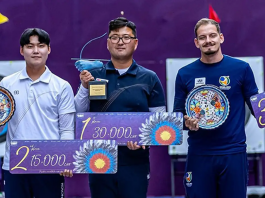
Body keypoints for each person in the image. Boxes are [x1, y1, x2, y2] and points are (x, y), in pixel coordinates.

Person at [74, 17, 166, 198]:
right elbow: (78, 113)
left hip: (135, 162)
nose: (120, 42)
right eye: (115, 37)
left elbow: (159, 120)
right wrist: (84, 87)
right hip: (99, 159)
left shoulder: (149, 78)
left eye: (126, 37)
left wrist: (144, 139)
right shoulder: (92, 75)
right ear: (108, 43)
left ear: (135, 43)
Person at [173, 18, 259, 198]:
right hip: (199, 154)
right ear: (196, 42)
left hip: (233, 153)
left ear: (221, 37)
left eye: (212, 35)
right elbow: (178, 117)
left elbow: (256, 105)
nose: (208, 40)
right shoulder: (184, 74)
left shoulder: (241, 68)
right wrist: (186, 121)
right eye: (202, 37)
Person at [0, 28, 76, 198]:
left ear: (48, 49)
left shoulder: (61, 86)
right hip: (15, 166)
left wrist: (65, 158)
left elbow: (67, 129)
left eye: (41, 46)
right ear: (21, 50)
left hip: (50, 166)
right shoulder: (7, 83)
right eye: (29, 46)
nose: (35, 51)